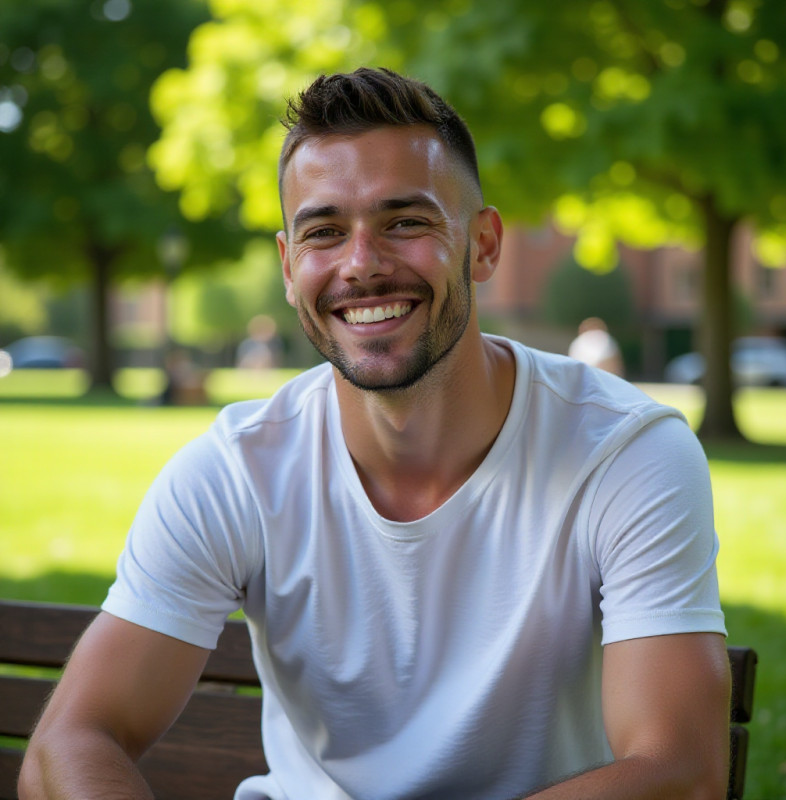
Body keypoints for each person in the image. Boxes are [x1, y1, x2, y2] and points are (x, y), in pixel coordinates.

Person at [19, 67, 731, 800]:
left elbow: (678, 770)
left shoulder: (624, 454)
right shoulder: (237, 471)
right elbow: (74, 738)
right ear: (290, 266)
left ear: (483, 245)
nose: (362, 265)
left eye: (406, 222)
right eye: (324, 232)